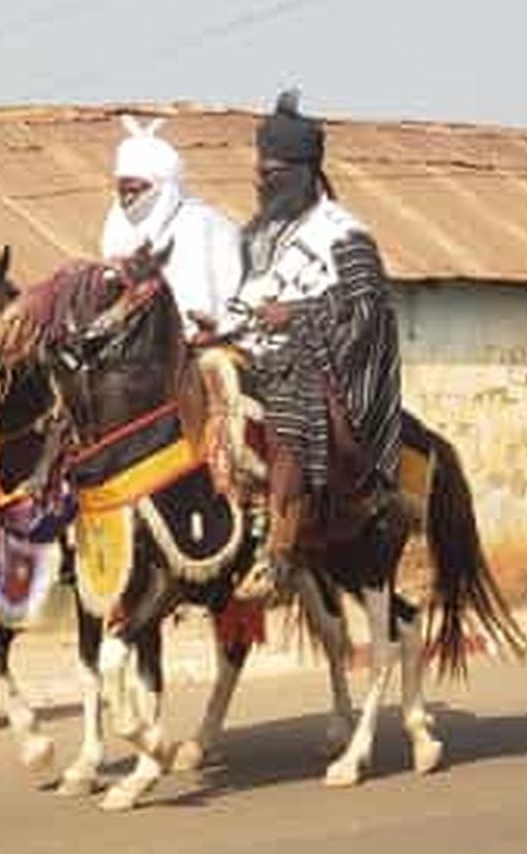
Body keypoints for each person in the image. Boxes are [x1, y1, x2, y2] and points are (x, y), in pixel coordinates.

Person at [233, 89, 401, 593]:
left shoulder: (343, 234)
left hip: (331, 370)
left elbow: (369, 309)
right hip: (259, 352)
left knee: (288, 397)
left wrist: (297, 314)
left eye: (272, 173)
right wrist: (219, 325)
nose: (261, 181)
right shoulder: (257, 236)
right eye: (260, 172)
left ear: (302, 173)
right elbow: (247, 300)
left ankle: (279, 546)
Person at [101, 115, 243, 334]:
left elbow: (212, 292)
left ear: (162, 188)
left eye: (136, 190)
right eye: (122, 190)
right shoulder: (118, 226)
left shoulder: (202, 224)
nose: (127, 200)